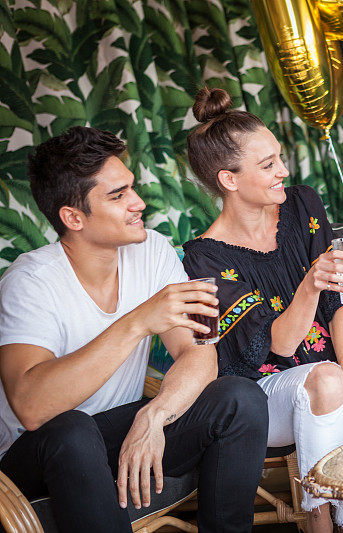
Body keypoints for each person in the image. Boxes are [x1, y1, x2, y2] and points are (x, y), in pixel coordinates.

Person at [0, 126, 270, 533]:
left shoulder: (152, 251)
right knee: (72, 430)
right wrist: (138, 320)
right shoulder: (31, 281)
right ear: (73, 218)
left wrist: (155, 416)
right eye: (118, 195)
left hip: (115, 430)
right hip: (39, 452)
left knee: (239, 397)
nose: (138, 203)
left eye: (131, 188)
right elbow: (32, 407)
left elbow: (198, 352)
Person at [181, 87, 343, 532]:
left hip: (331, 377)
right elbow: (279, 344)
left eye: (279, 158)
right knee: (324, 378)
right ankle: (320, 520)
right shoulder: (204, 258)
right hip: (262, 401)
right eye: (268, 165)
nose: (283, 170)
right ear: (229, 179)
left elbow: (338, 304)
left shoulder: (302, 205)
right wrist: (309, 284)